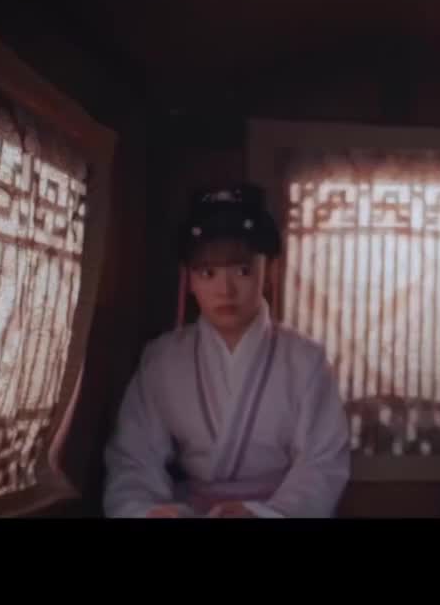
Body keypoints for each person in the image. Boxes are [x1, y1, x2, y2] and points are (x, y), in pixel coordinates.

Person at [104, 184, 351, 518]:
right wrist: (147, 511)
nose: (225, 289)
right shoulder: (162, 359)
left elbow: (322, 463)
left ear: (270, 271)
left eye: (242, 270)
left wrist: (264, 514)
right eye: (208, 272)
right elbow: (134, 458)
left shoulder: (306, 360)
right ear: (189, 279)